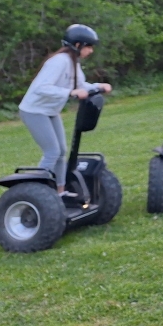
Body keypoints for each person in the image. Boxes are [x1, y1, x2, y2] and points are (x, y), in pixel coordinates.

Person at [18, 24, 112, 198]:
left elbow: (80, 86)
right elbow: (41, 88)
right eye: (89, 46)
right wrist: (70, 93)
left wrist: (98, 86)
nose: (91, 51)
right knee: (52, 151)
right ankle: (36, 192)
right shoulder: (59, 61)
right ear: (77, 45)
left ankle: (60, 192)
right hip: (34, 111)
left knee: (61, 151)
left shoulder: (73, 63)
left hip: (50, 111)